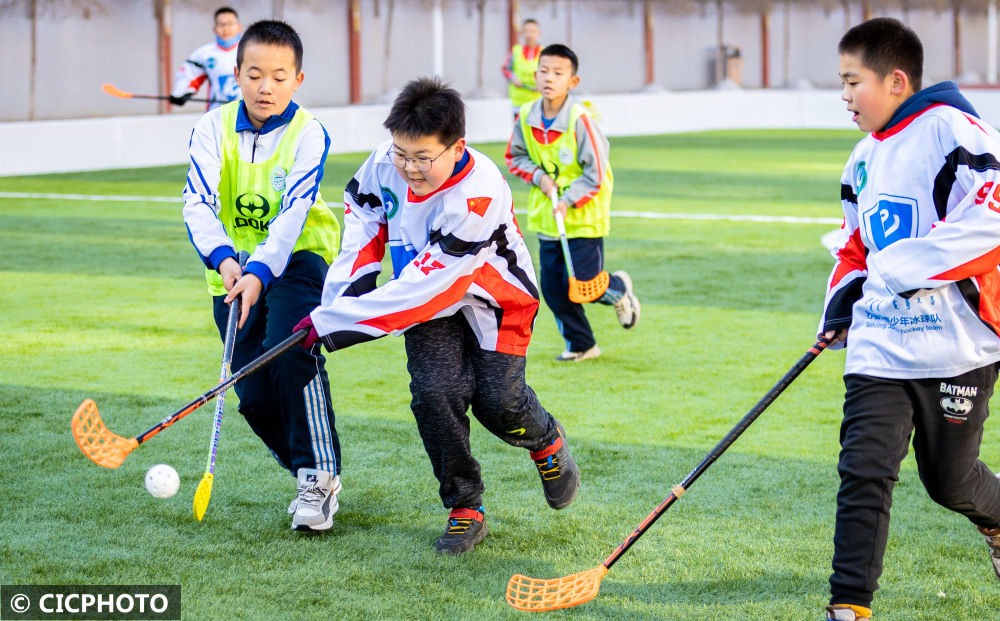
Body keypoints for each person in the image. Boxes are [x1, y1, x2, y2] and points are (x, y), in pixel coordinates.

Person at [292, 77, 581, 554]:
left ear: (457, 147)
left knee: (499, 402)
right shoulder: (387, 162)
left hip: (492, 299)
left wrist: (334, 323)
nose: (408, 168)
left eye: (422, 158)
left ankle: (546, 441)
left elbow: (431, 289)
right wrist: (339, 298)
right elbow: (364, 216)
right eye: (401, 153)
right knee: (434, 394)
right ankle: (465, 507)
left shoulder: (478, 192)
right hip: (422, 294)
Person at [819, 17, 1000, 621]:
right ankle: (848, 607)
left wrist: (901, 266)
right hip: (881, 345)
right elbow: (855, 245)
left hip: (959, 345)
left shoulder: (954, 129)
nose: (844, 96)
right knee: (863, 470)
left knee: (949, 482)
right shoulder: (860, 158)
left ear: (896, 80)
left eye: (852, 81)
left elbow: (992, 220)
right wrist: (842, 300)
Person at [182, 20, 343, 532]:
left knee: (292, 350)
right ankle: (302, 471)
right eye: (254, 74)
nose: (265, 86)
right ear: (236, 75)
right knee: (250, 394)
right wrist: (229, 262)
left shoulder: (309, 132)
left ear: (297, 79)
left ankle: (320, 475)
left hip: (297, 258)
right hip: (229, 269)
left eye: (278, 75)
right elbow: (197, 203)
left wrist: (259, 271)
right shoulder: (210, 128)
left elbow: (294, 213)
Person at [505, 43, 639, 362]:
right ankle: (581, 345)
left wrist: (567, 200)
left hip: (584, 217)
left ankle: (618, 288)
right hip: (549, 219)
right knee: (553, 289)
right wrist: (539, 177)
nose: (549, 78)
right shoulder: (525, 116)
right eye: (544, 71)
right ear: (535, 76)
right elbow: (515, 157)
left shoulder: (582, 120)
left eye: (558, 73)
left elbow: (596, 172)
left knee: (585, 285)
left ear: (572, 82)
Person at [170, 7, 243, 110]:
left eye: (230, 24)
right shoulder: (204, 54)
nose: (226, 28)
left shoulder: (251, 50)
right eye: (221, 25)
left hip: (247, 113)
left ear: (239, 27)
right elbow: (189, 73)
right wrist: (180, 92)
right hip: (217, 113)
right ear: (214, 29)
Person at [501, 18, 542, 117]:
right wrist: (513, 78)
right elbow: (505, 68)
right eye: (527, 31)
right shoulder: (516, 51)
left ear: (539, 33)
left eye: (533, 31)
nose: (530, 35)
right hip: (518, 103)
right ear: (522, 33)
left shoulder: (544, 53)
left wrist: (542, 84)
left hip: (538, 102)